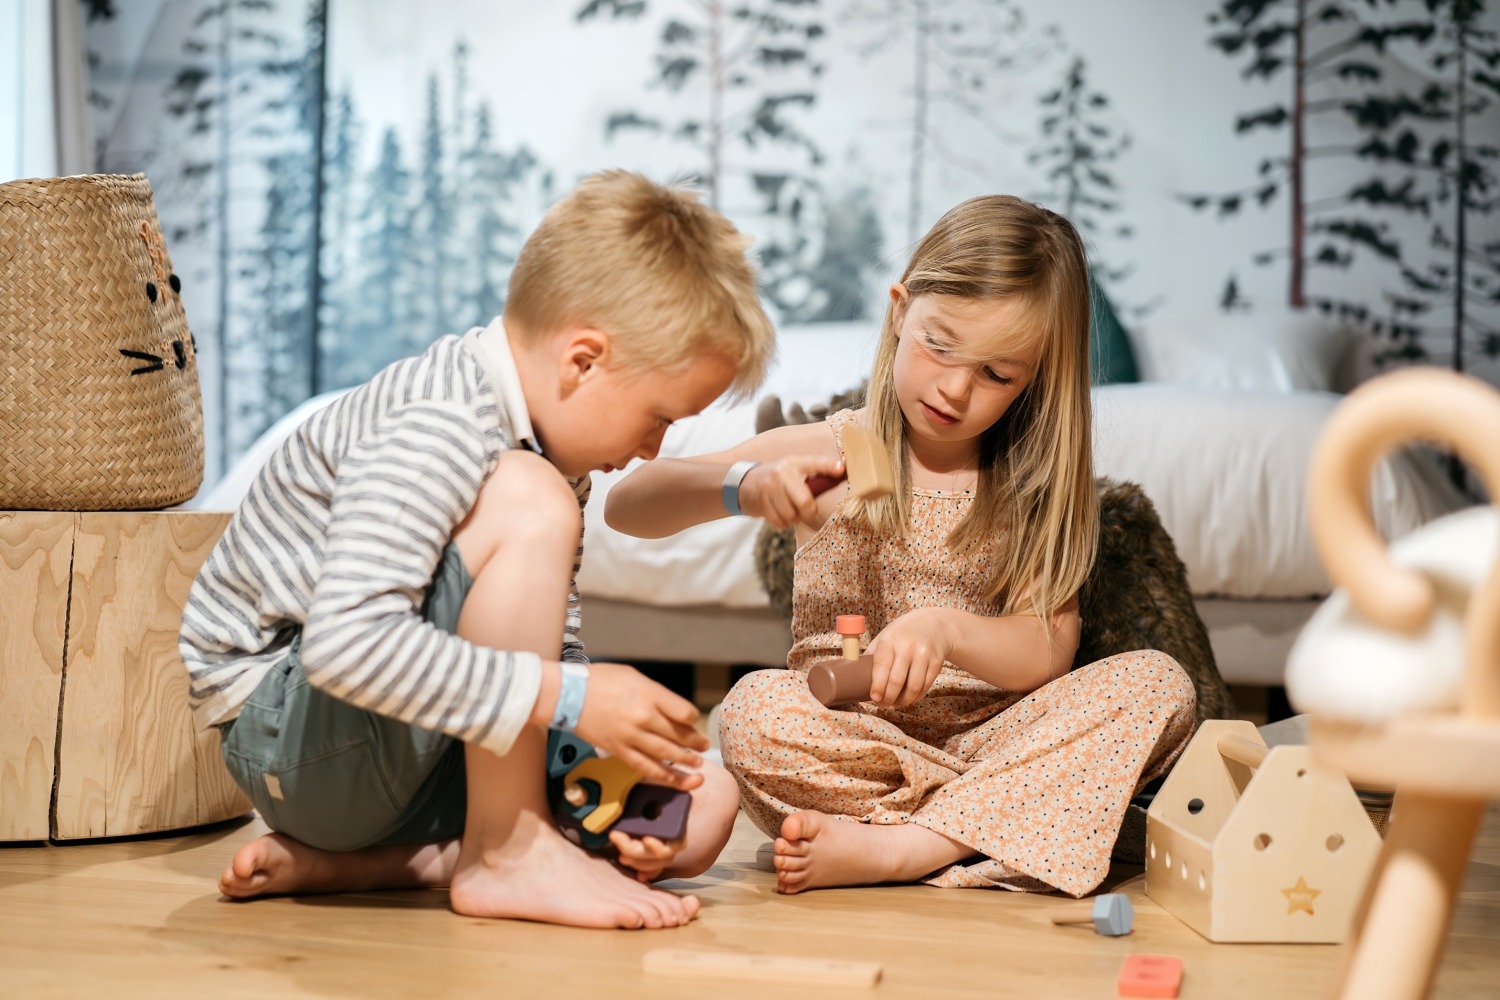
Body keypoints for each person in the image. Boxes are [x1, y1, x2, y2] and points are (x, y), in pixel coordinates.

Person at [179, 170, 775, 928]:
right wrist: (576, 698)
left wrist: (597, 722)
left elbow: (535, 643)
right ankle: (506, 853)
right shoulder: (442, 422)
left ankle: (401, 864)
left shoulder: (544, 444)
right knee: (529, 495)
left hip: (411, 747)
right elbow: (344, 649)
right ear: (583, 361)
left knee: (702, 797)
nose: (651, 448)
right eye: (658, 418)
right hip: (302, 746)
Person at [604, 194, 1197, 897]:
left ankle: (906, 848)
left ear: (1033, 380)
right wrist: (743, 486)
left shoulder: (1031, 484)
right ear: (898, 312)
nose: (953, 387)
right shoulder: (833, 451)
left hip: (994, 738)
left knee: (1159, 684)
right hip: (854, 741)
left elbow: (1048, 648)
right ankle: (1010, 820)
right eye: (939, 345)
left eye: (997, 374)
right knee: (752, 713)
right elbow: (627, 506)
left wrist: (946, 630)